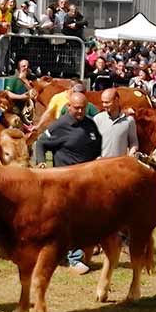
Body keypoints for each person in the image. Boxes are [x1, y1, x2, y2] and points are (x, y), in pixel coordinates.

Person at [37, 92, 102, 275]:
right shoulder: (59, 125)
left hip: (87, 181)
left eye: (83, 108)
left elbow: (97, 145)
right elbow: (41, 143)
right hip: (64, 182)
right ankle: (72, 258)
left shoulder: (90, 124)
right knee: (68, 221)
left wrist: (99, 157)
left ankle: (68, 255)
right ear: (69, 106)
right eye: (76, 108)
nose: (80, 111)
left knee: (83, 219)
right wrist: (41, 162)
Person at [93, 88, 138, 158]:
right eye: (103, 102)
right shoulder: (97, 119)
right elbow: (91, 143)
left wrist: (132, 152)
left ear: (116, 101)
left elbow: (133, 142)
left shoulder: (129, 121)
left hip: (119, 165)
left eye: (107, 102)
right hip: (100, 165)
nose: (104, 105)